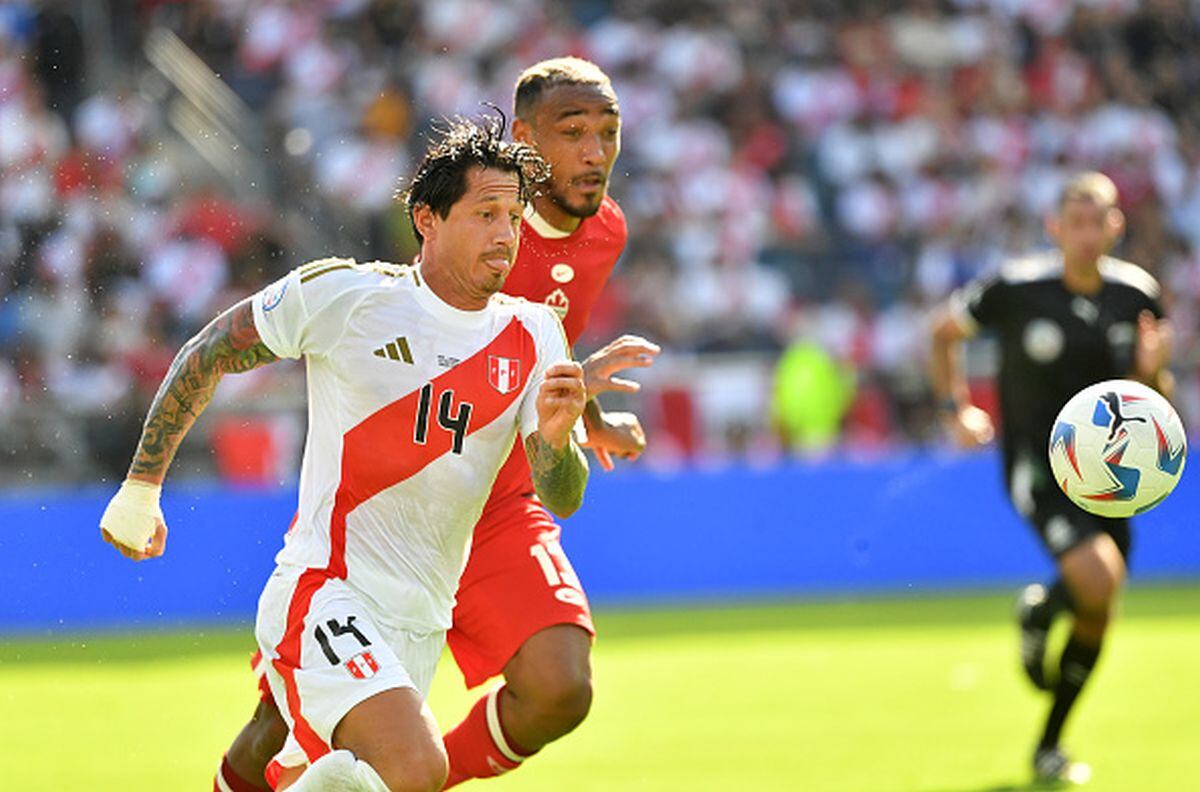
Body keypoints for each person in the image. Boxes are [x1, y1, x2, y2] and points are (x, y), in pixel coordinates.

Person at [101, 115, 591, 792]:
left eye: (514, 215)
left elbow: (563, 494)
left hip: (419, 620)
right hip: (323, 590)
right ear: (428, 219)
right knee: (415, 767)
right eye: (485, 214)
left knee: (299, 761)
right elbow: (211, 348)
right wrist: (141, 487)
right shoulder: (350, 298)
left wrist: (559, 443)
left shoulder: (535, 334)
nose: (506, 234)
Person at [213, 57, 657, 792]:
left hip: (503, 496)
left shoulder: (604, 231)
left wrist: (590, 419)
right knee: (279, 728)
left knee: (561, 685)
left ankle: (413, 778)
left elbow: (549, 347)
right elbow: (423, 332)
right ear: (524, 137)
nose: (595, 152)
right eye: (572, 132)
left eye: (608, 133)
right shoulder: (474, 228)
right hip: (403, 492)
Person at [930, 172, 1172, 784]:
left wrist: (1153, 373)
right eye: (1077, 222)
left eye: (1101, 222)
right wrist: (956, 408)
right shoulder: (1015, 288)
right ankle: (1041, 614)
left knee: (1098, 607)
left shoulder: (1136, 295)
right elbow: (942, 333)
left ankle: (1049, 742)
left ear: (1117, 226)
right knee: (1099, 577)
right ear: (1055, 228)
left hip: (1110, 472)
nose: (1088, 235)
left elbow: (1151, 398)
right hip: (1036, 461)